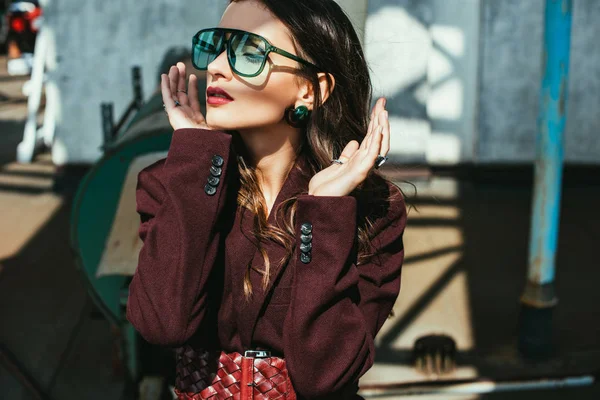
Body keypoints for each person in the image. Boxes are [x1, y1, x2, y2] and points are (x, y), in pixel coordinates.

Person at [126, 0, 408, 398]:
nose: (217, 67)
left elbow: (325, 373)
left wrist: (325, 211)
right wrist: (196, 151)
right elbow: (162, 324)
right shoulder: (174, 184)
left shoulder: (372, 209)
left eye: (249, 52)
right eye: (216, 46)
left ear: (310, 90)